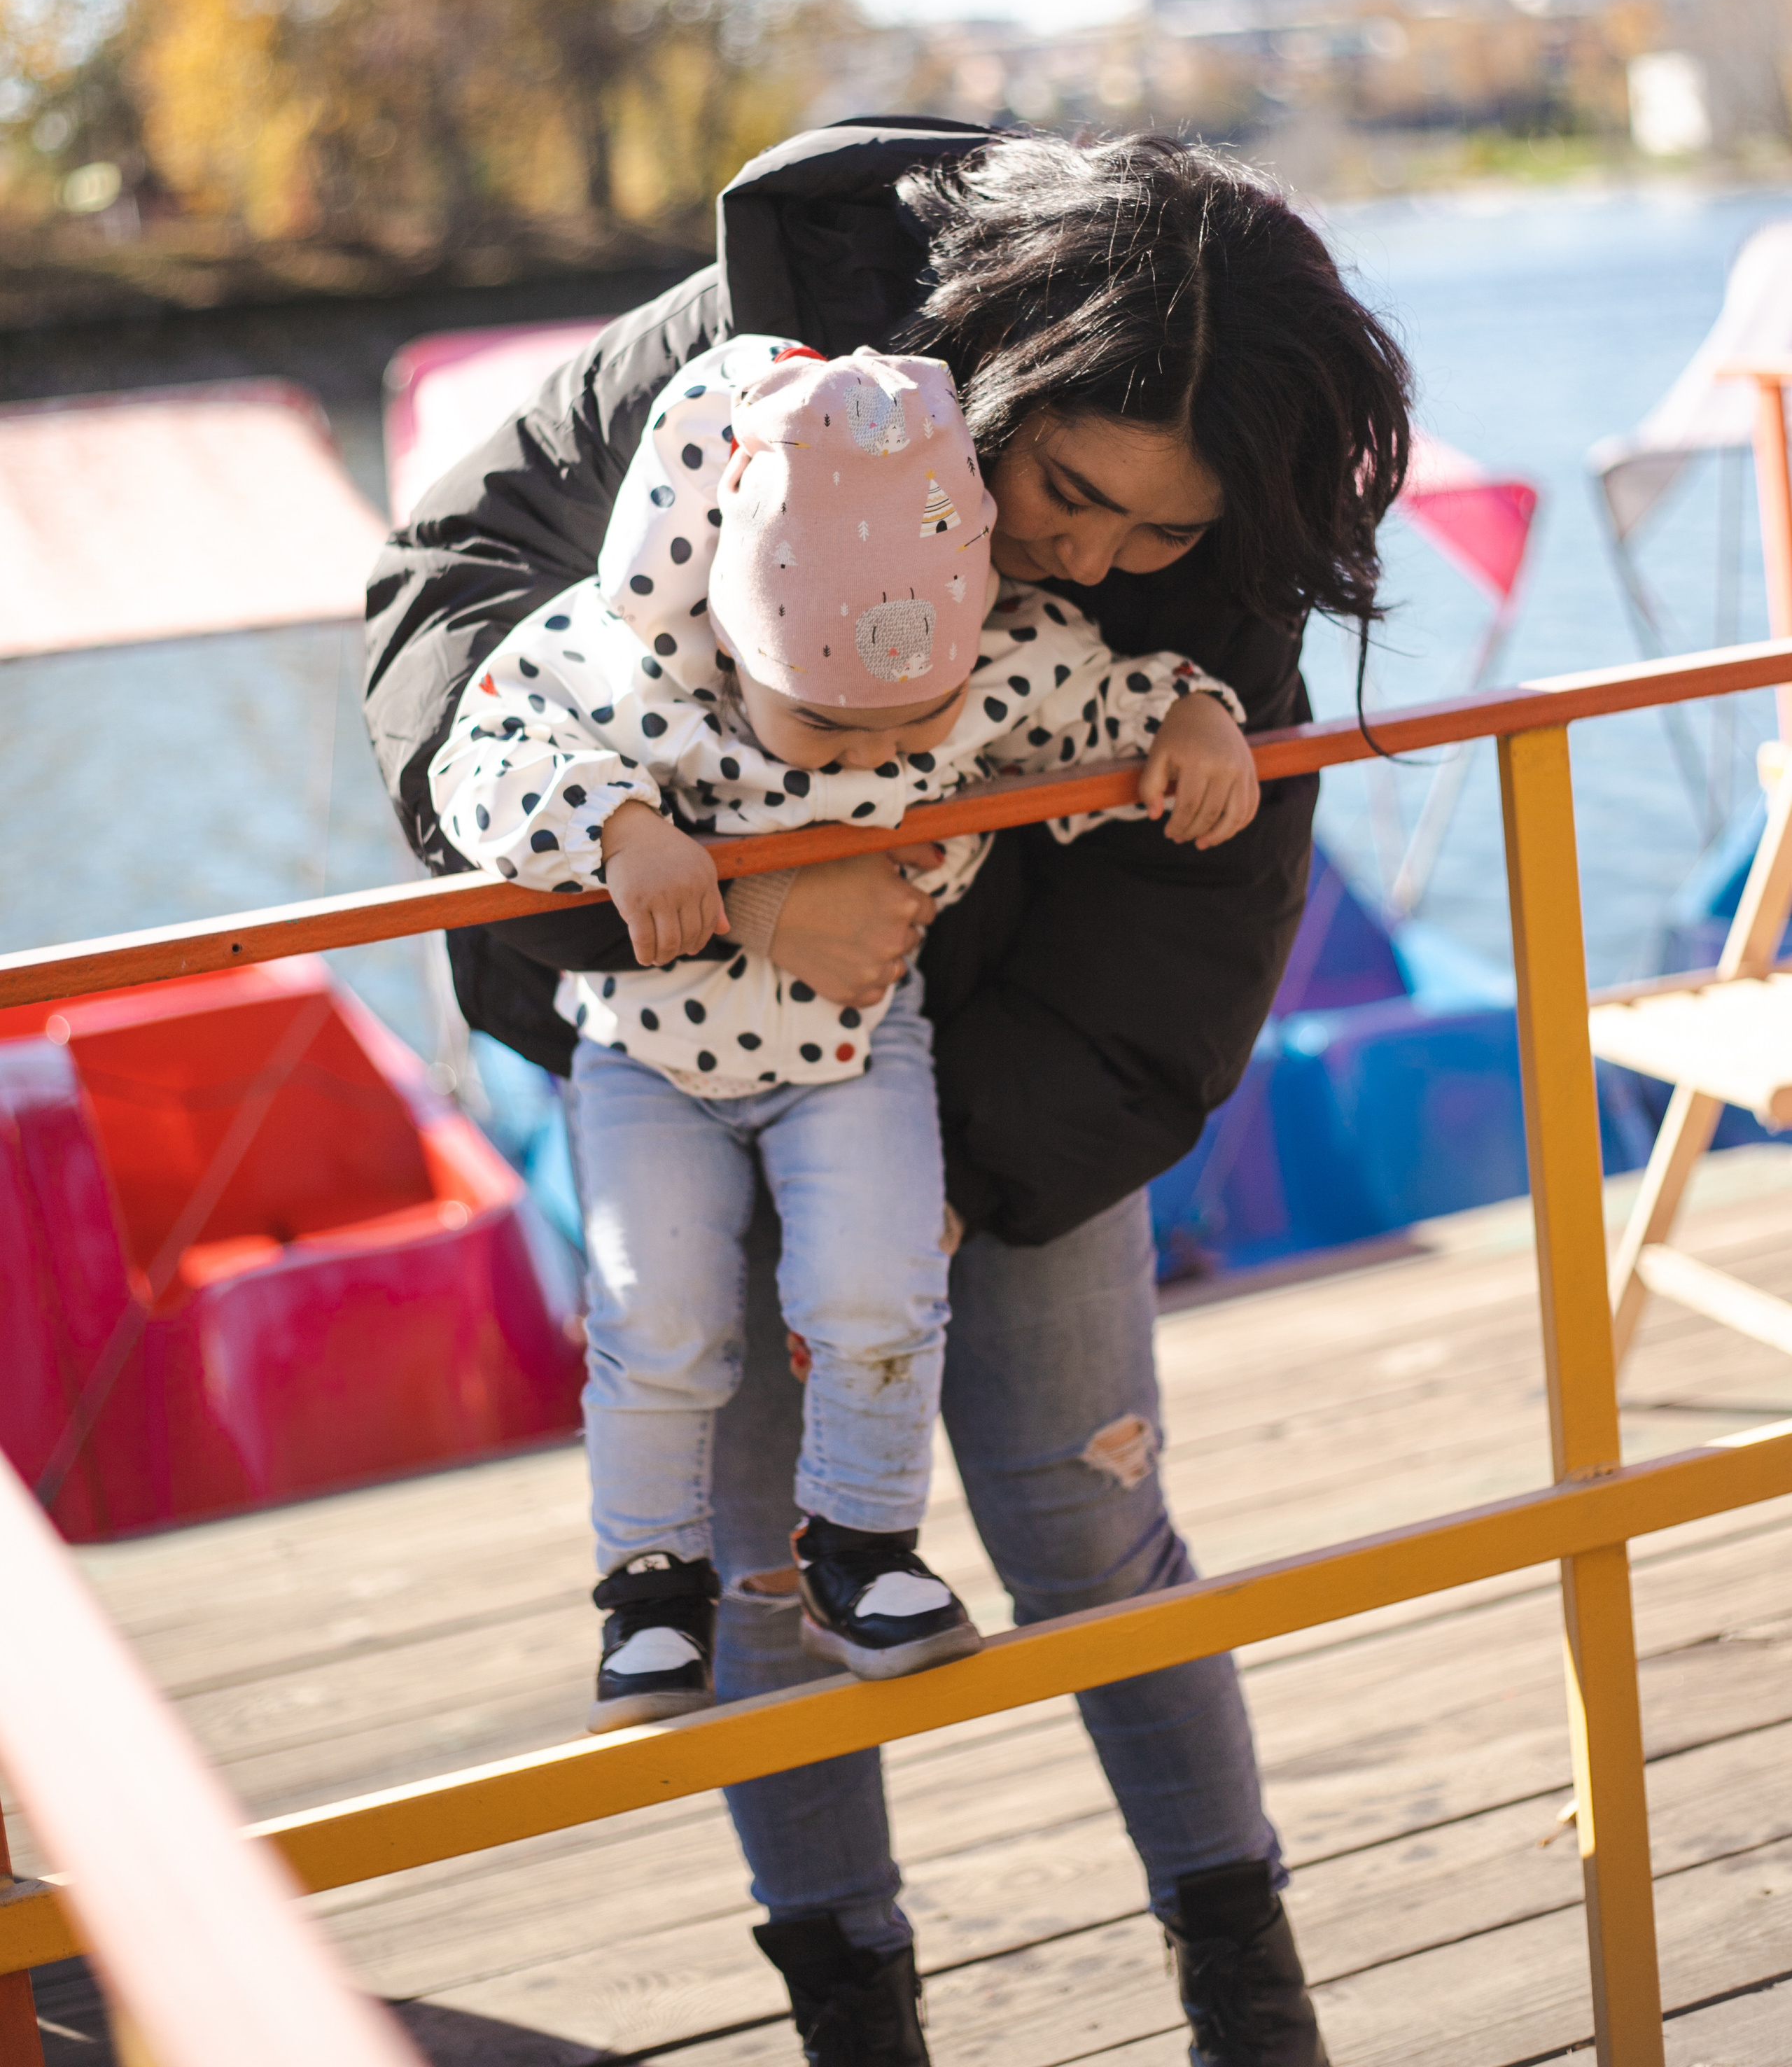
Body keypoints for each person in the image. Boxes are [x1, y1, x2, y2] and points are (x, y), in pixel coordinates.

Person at [364, 124, 1411, 2067]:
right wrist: (720, 890)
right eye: (1068, 494)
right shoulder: (750, 356)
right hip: (687, 1056)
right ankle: (858, 2014)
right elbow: (449, 597)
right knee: (763, 1583)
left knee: (1083, 1516)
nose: (1093, 557)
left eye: (1153, 539)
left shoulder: (1218, 536)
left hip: (1003, 1070)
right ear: (987, 374)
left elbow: (1200, 916)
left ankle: (1250, 1994)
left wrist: (966, 1170)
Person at [428, 333, 1255, 1728]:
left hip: (858, 1044)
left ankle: (863, 1550)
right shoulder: (627, 662)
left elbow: (1089, 698)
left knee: (880, 1291)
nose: (872, 761)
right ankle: (645, 1587)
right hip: (649, 1056)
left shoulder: (991, 643)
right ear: (740, 636)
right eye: (819, 723)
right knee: (658, 1316)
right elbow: (484, 751)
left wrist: (1192, 717)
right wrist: (628, 831)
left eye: (910, 724)